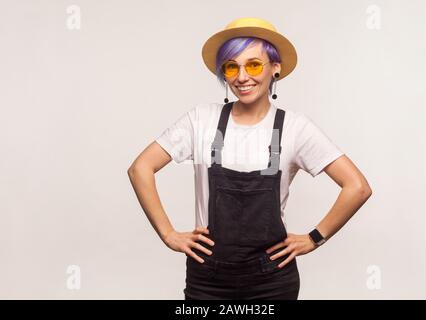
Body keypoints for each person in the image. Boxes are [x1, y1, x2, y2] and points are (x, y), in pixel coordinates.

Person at [127, 17, 372, 300]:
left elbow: (357, 187)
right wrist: (168, 234)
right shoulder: (201, 120)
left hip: (272, 281)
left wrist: (315, 238)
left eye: (253, 65)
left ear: (275, 68)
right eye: (232, 67)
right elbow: (140, 168)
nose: (242, 77)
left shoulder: (295, 128)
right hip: (208, 279)